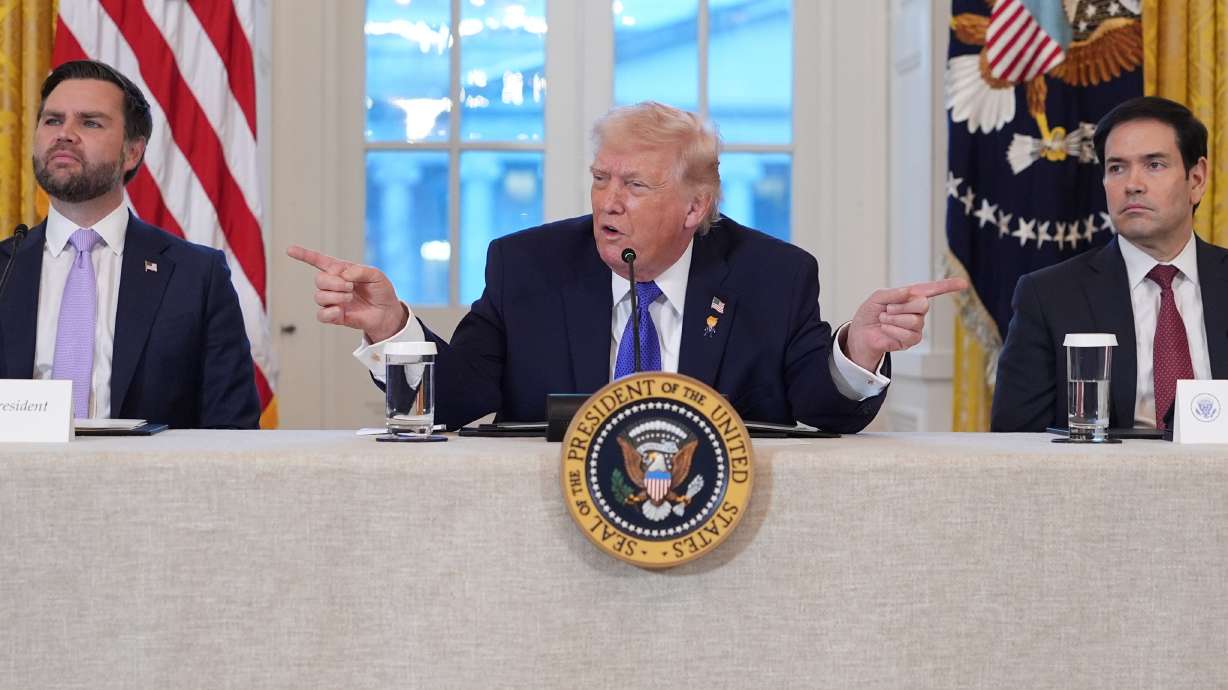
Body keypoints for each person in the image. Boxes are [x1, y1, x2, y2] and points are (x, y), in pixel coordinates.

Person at [290, 102, 964, 432]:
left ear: (695, 206)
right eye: (600, 179)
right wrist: (390, 329)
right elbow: (458, 399)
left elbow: (823, 411)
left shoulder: (772, 275)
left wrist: (861, 346)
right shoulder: (528, 264)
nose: (607, 203)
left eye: (635, 187)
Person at [0, 60, 260, 429]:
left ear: (132, 152)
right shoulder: (4, 269)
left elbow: (232, 428)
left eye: (89, 122)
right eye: (53, 120)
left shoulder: (197, 276)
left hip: (148, 485)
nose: (65, 134)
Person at [993, 96, 1228, 432]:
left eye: (1154, 165)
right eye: (1116, 168)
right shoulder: (1048, 296)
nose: (1132, 184)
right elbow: (1015, 441)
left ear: (1196, 180)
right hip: (1102, 481)